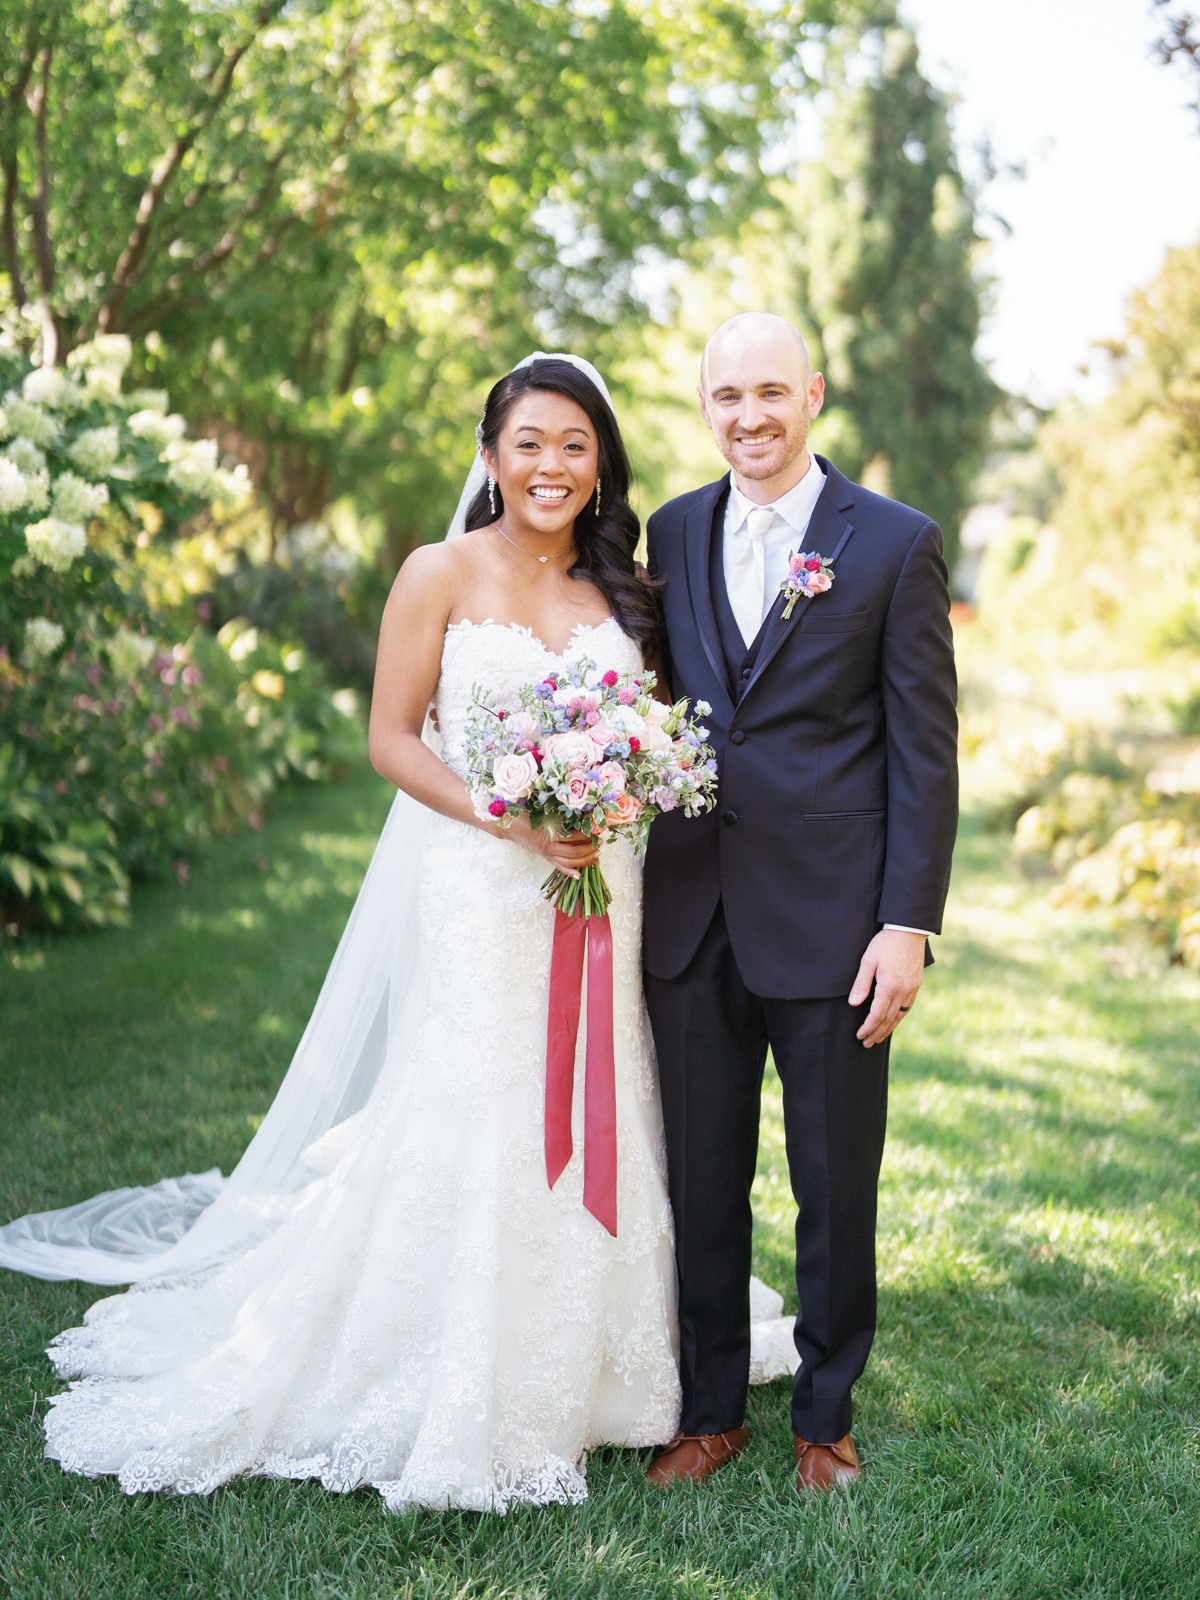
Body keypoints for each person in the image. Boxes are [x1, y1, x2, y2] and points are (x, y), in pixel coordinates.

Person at [0, 353, 794, 1511]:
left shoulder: (629, 591)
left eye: (576, 446)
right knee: (481, 1101)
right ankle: (460, 1353)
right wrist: (511, 813)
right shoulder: (438, 571)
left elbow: (655, 731)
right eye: (529, 442)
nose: (551, 466)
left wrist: (613, 790)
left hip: (603, 891)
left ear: (602, 466)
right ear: (489, 454)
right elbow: (390, 736)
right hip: (486, 884)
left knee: (603, 1091)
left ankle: (615, 1363)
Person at [641, 313, 959, 1495]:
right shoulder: (668, 534)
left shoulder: (892, 543)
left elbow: (926, 754)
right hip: (689, 910)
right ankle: (709, 1405)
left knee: (834, 1180)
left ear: (814, 392)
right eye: (728, 396)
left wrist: (906, 921)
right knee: (699, 1175)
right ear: (706, 404)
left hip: (835, 922)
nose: (750, 417)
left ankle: (823, 1417)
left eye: (771, 391)